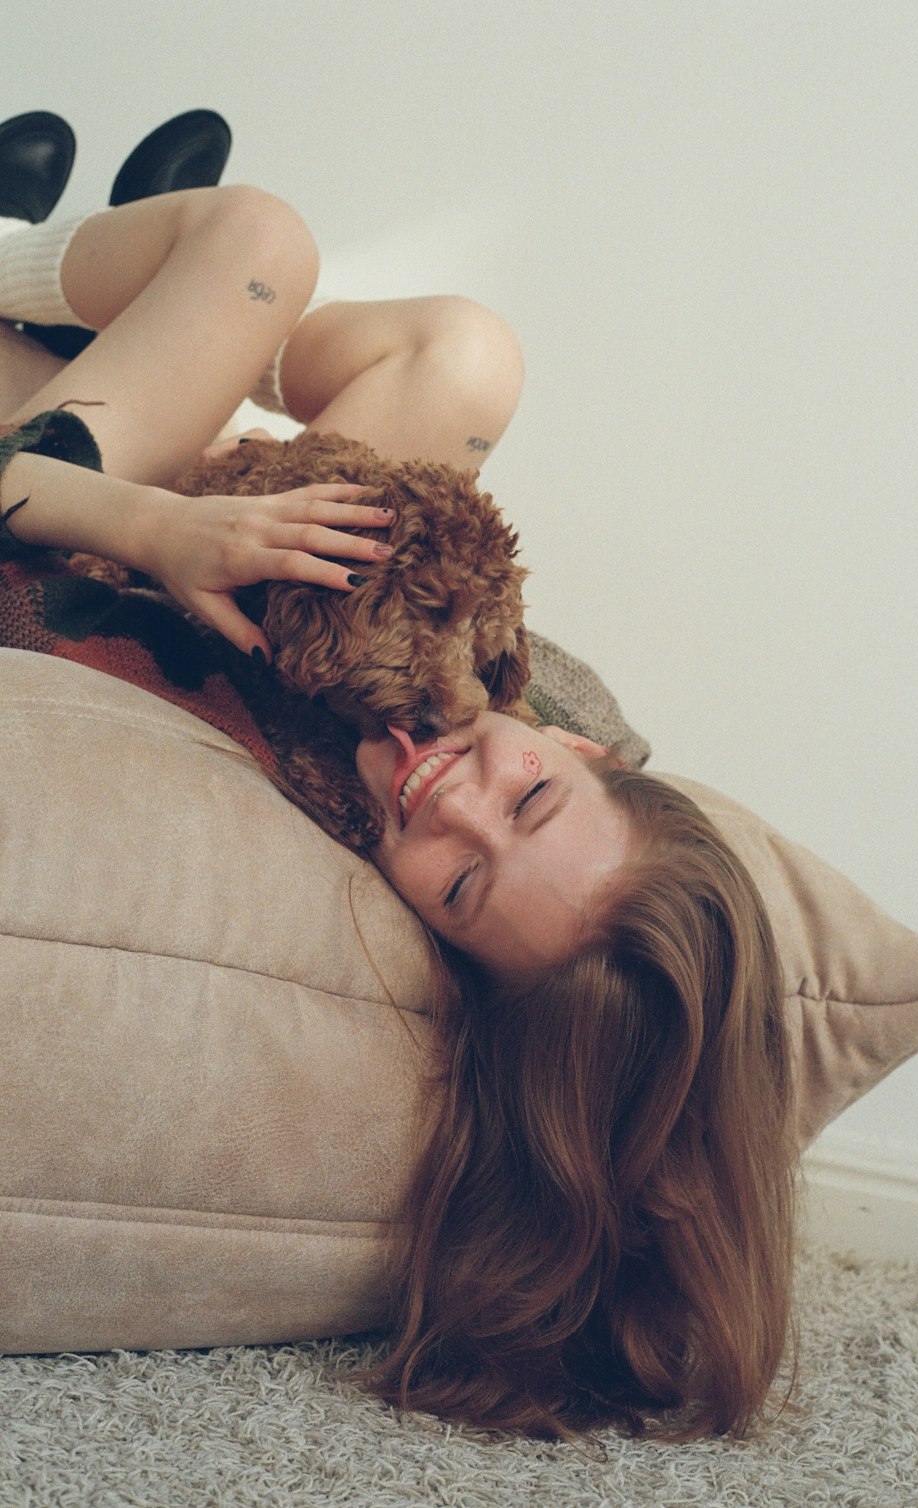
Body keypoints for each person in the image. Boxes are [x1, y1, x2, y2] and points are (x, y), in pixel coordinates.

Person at [0, 125, 796, 1441]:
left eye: (465, 881)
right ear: (582, 749)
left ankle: (66, 279)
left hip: (65, 498)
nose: (445, 797)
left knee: (258, 239)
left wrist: (154, 526)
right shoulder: (459, 653)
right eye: (530, 796)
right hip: (154, 473)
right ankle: (97, 307)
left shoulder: (268, 785)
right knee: (467, 354)